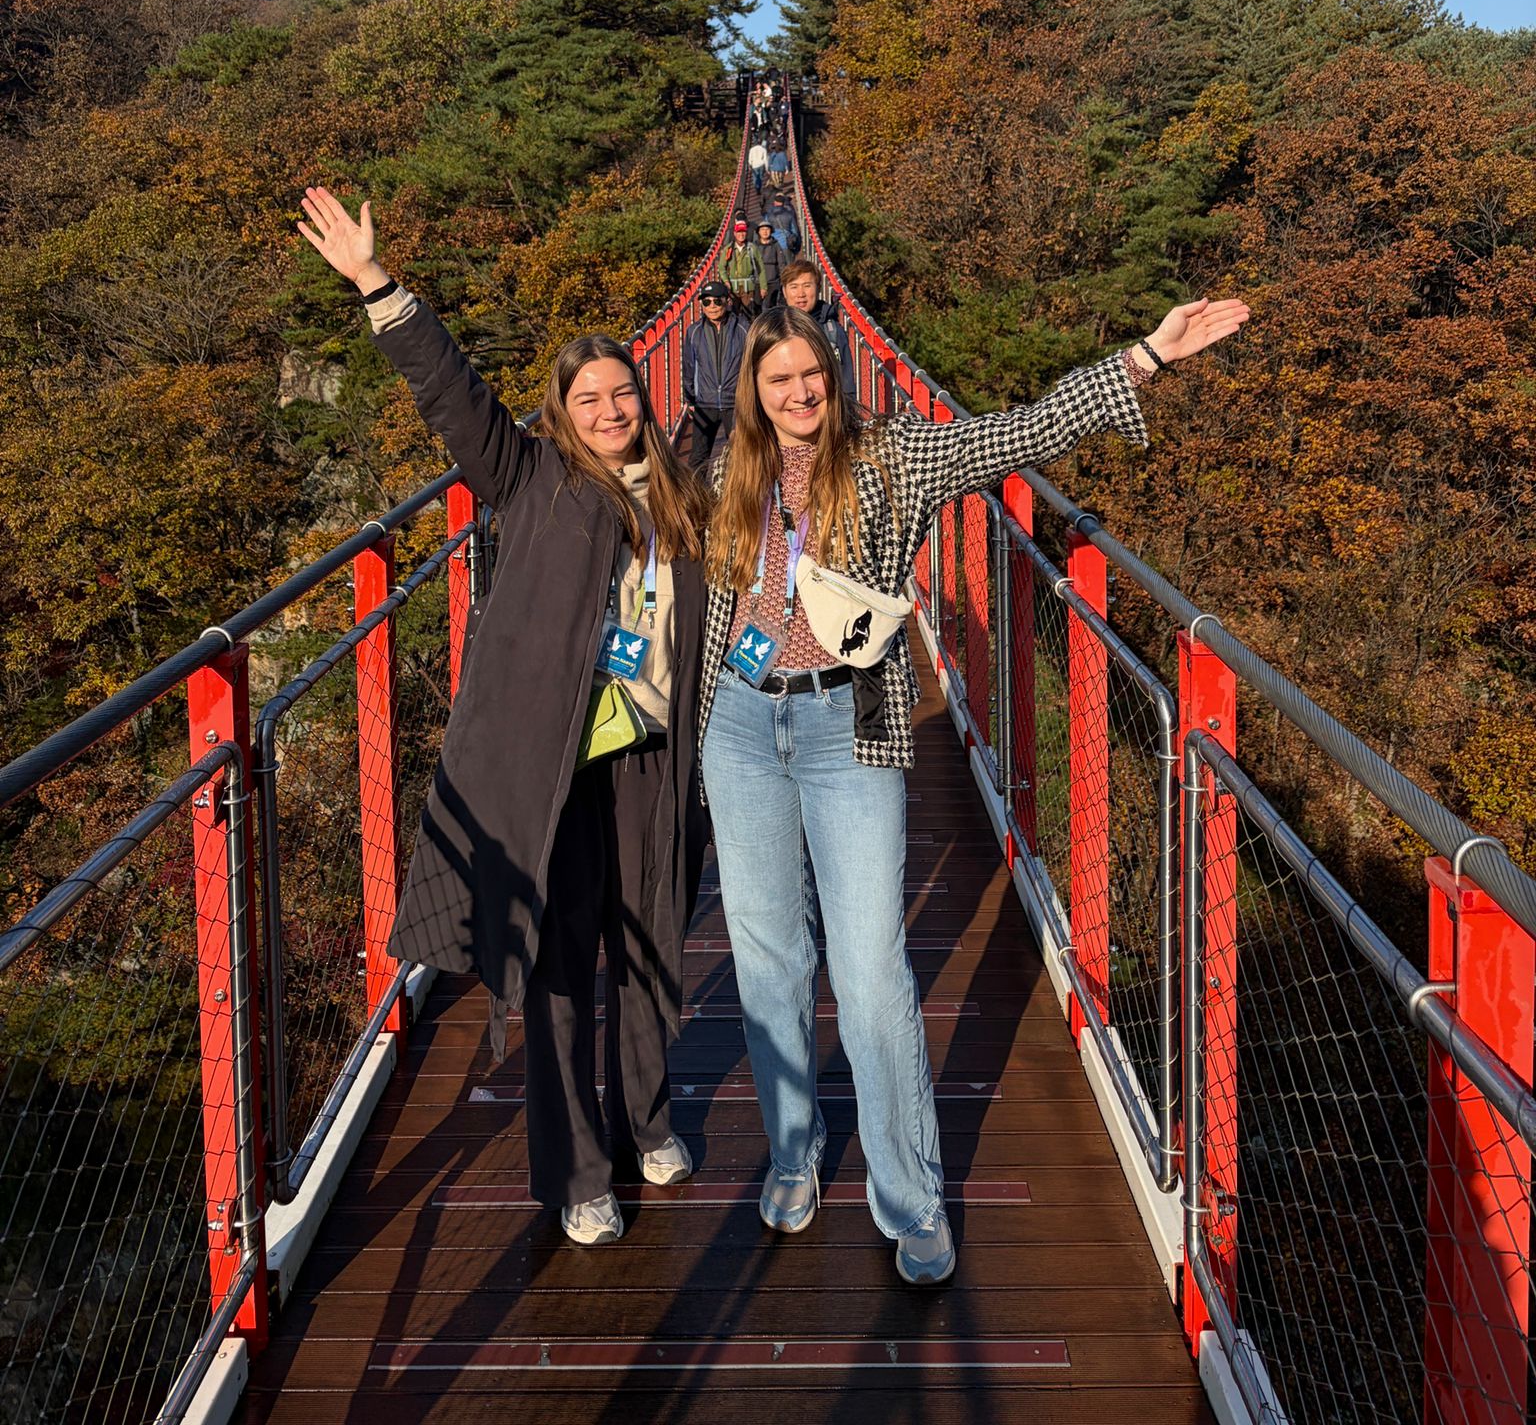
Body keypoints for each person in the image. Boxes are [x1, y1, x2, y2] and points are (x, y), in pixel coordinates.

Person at [697, 295, 1250, 1285]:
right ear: (755, 393)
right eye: (776, 380)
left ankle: (909, 1195)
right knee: (767, 955)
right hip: (740, 723)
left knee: (869, 968)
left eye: (809, 375)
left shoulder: (894, 458)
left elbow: (1016, 432)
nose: (796, 392)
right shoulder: (724, 470)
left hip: (848, 725)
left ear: (835, 375)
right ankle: (792, 1153)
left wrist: (1145, 358)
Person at [297, 185, 712, 1248]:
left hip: (653, 756)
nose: (612, 409)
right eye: (591, 399)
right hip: (552, 765)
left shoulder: (680, 493)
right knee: (565, 962)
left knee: (653, 938)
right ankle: (579, 1170)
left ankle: (648, 1120)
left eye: (624, 392)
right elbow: (452, 395)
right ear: (559, 412)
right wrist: (376, 284)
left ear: (645, 399)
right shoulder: (528, 478)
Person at [682, 279, 748, 472]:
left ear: (727, 302)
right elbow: (689, 367)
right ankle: (698, 500)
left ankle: (737, 499)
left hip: (735, 403)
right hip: (705, 402)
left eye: (717, 301)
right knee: (698, 459)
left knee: (741, 456)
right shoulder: (693, 332)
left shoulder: (744, 329)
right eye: (706, 302)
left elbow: (752, 366)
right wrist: (690, 399)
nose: (712, 306)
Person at [780, 258, 855, 397]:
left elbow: (846, 382)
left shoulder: (832, 330)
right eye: (794, 287)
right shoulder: (775, 332)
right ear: (784, 292)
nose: (800, 294)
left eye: (807, 286)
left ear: (819, 288)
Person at [720, 215, 768, 312]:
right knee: (733, 315)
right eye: (739, 232)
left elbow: (761, 269)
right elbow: (721, 267)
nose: (741, 234)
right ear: (734, 233)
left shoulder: (752, 248)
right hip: (733, 289)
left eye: (743, 232)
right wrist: (726, 281)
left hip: (748, 288)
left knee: (750, 314)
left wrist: (763, 287)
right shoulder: (728, 249)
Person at [754, 220, 787, 306]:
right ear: (759, 232)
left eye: (767, 229)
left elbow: (781, 263)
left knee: (771, 306)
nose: (765, 232)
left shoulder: (776, 245)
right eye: (762, 229)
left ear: (771, 231)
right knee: (756, 306)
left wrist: (783, 278)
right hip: (757, 281)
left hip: (773, 280)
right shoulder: (754, 246)